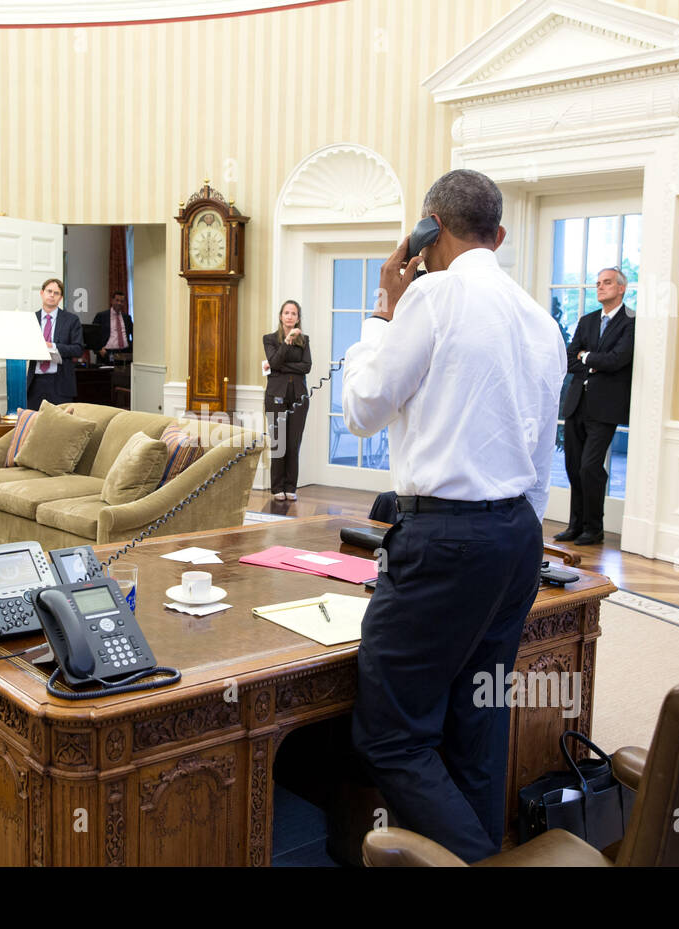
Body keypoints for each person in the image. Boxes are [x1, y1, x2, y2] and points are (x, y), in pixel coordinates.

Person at [341, 169, 566, 862]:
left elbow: (361, 410)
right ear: (498, 235)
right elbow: (538, 452)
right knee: (478, 717)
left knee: (391, 734)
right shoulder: (540, 317)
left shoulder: (430, 296)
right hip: (518, 539)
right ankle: (483, 848)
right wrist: (512, 538)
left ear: (428, 229)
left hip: (447, 542)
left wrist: (383, 309)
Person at [554, 268, 635, 546]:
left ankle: (594, 528)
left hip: (605, 408)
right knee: (574, 466)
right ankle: (575, 525)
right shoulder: (587, 320)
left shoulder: (631, 322)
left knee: (590, 467)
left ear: (621, 288)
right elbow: (569, 359)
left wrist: (586, 356)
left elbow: (617, 360)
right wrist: (592, 360)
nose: (600, 287)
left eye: (607, 283)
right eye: (598, 283)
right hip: (577, 403)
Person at [262, 300, 311, 501]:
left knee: (293, 443)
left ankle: (291, 487)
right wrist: (288, 340)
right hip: (276, 395)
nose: (290, 316)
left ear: (298, 318)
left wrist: (281, 367)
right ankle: (277, 488)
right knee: (278, 442)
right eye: (286, 313)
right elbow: (273, 362)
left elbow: (306, 367)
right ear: (281, 316)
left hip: (298, 396)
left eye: (294, 313)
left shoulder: (305, 340)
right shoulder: (270, 339)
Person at [27, 278, 84, 408]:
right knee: (34, 422)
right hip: (35, 382)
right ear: (42, 293)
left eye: (56, 293)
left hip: (60, 382)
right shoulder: (31, 319)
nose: (52, 295)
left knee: (59, 424)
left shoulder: (71, 320)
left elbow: (78, 349)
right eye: (49, 291)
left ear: (61, 298)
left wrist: (53, 346)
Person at [92, 291, 134, 363]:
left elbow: (135, 334)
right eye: (117, 300)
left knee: (125, 374)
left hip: (125, 353)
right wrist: (98, 350)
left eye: (122, 301)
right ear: (112, 301)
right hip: (106, 354)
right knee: (107, 374)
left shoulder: (127, 318)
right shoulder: (101, 316)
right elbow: (93, 335)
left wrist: (134, 350)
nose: (119, 303)